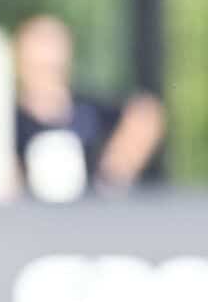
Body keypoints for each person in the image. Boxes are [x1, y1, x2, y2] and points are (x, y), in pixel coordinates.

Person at [12, 13, 165, 203]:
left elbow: (146, 112)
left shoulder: (88, 109)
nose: (47, 56)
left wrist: (113, 175)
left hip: (91, 220)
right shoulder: (8, 121)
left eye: (52, 46)